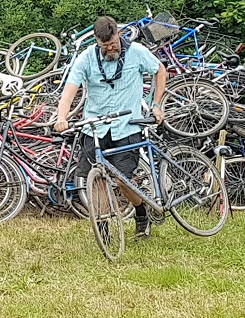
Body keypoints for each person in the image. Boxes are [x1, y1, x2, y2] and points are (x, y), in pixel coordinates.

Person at [53, 15, 167, 239]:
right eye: (105, 45)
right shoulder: (86, 58)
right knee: (95, 179)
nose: (110, 48)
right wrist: (61, 116)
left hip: (127, 127)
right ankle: (103, 227)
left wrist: (156, 105)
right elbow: (70, 89)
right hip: (95, 128)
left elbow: (160, 70)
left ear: (119, 35)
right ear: (96, 41)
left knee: (121, 180)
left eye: (113, 43)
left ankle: (141, 212)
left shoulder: (136, 52)